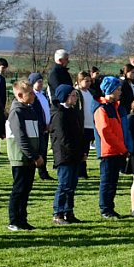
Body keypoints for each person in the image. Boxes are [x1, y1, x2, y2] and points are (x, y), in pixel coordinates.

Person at [6, 80, 44, 231]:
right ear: (21, 95)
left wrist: (39, 153)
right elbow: (21, 137)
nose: (34, 95)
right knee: (19, 189)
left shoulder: (30, 110)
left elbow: (38, 133)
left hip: (31, 157)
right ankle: (14, 220)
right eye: (31, 93)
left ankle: (23, 219)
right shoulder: (16, 112)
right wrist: (33, 155)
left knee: (26, 189)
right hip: (20, 158)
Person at [49, 85, 86, 225]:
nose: (75, 98)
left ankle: (68, 212)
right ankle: (58, 213)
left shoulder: (72, 111)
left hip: (75, 154)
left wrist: (82, 151)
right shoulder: (59, 114)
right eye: (73, 95)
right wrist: (74, 151)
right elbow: (62, 138)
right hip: (65, 155)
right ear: (65, 96)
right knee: (64, 185)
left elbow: (79, 133)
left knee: (72, 185)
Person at [93, 76, 129, 219]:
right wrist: (121, 147)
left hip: (117, 150)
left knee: (113, 181)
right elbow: (105, 132)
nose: (120, 92)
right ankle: (105, 209)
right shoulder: (102, 109)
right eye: (118, 89)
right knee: (107, 181)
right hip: (108, 150)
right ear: (111, 90)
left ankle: (110, 207)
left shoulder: (114, 107)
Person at [74, 71, 95, 179]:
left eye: (89, 81)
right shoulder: (77, 93)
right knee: (80, 149)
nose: (88, 83)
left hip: (90, 125)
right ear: (79, 81)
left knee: (86, 150)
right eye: (86, 81)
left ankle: (83, 170)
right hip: (81, 125)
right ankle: (79, 171)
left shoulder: (91, 93)